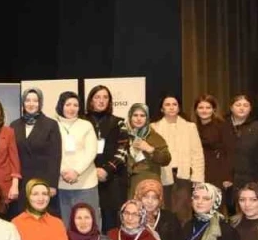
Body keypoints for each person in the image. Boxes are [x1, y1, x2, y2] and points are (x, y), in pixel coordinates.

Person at [10, 89, 61, 219]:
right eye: (27, 100)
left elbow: (55, 156)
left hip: (43, 181)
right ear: (23, 103)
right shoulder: (14, 125)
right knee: (22, 217)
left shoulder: (51, 124)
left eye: (35, 100)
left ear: (40, 103)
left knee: (43, 218)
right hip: (22, 181)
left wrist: (52, 184)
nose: (31, 104)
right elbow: (12, 156)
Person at [152, 95, 204, 222]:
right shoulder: (154, 127)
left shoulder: (190, 127)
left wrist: (198, 177)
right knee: (164, 211)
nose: (171, 107)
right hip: (162, 175)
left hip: (184, 175)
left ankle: (184, 235)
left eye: (174, 104)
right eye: (167, 104)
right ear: (162, 109)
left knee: (183, 212)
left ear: (179, 108)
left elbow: (197, 154)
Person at [54, 92, 99, 225]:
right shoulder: (52, 125)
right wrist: (63, 171)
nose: (72, 108)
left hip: (86, 183)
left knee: (88, 223)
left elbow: (91, 152)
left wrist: (76, 171)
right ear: (61, 106)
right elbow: (51, 152)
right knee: (65, 224)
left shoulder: (86, 125)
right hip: (61, 183)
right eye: (68, 104)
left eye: (75, 105)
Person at [85, 85, 125, 229]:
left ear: (109, 101)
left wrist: (106, 170)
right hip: (86, 177)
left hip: (111, 179)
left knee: (110, 223)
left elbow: (122, 151)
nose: (101, 101)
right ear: (91, 101)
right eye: (97, 97)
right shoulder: (81, 122)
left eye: (105, 97)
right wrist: (92, 171)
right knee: (88, 218)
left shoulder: (119, 123)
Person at [228, 94, 258, 213]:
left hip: (252, 177)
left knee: (250, 210)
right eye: (238, 105)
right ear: (231, 107)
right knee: (230, 212)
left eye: (245, 105)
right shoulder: (223, 126)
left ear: (250, 108)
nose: (242, 108)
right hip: (228, 179)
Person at [120, 103, 171, 196]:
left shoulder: (154, 136)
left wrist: (150, 149)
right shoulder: (123, 135)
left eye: (142, 115)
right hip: (127, 184)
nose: (138, 119)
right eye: (135, 115)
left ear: (147, 118)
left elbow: (166, 159)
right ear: (130, 117)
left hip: (149, 183)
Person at [194, 95, 235, 205]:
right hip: (197, 171)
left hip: (217, 170)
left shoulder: (223, 126)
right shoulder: (192, 127)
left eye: (208, 108)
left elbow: (229, 152)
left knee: (214, 203)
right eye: (201, 107)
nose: (204, 111)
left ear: (214, 109)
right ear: (196, 110)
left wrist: (228, 176)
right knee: (198, 204)